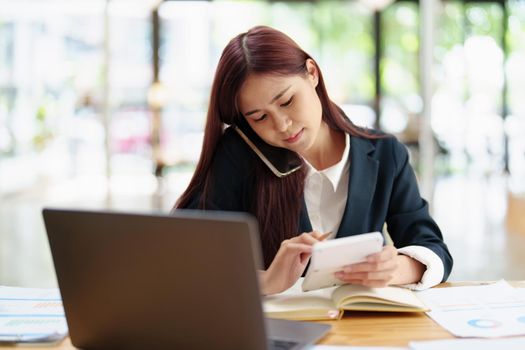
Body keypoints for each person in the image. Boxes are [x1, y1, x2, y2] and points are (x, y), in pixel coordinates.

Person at [174, 25, 453, 295]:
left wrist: (397, 268)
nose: (282, 125)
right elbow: (182, 256)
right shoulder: (240, 155)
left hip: (354, 330)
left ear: (311, 73)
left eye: (286, 101)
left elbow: (433, 248)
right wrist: (266, 281)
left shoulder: (384, 154)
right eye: (260, 117)